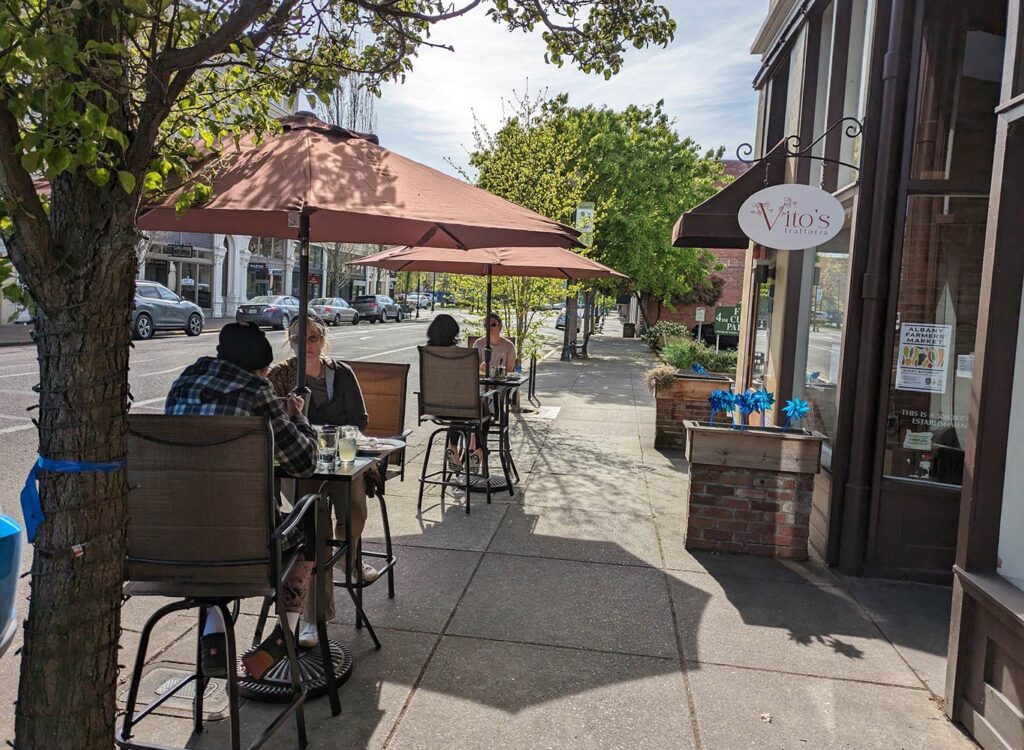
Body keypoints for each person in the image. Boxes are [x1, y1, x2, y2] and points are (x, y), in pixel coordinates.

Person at [164, 322, 317, 681]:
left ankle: (214, 634)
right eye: (265, 370)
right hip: (246, 544)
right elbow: (302, 462)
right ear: (258, 369)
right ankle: (287, 632)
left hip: (174, 542)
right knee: (311, 513)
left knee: (207, 516)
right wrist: (300, 417)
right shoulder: (256, 390)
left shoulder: (184, 381)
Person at [266, 314, 379, 649]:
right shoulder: (280, 376)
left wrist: (323, 429)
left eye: (314, 337)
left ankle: (347, 555)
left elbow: (359, 419)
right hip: (298, 466)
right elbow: (276, 427)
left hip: (341, 461)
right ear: (290, 341)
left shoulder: (341, 373)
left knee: (354, 507)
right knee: (316, 529)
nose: (309, 345)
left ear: (323, 339)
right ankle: (314, 618)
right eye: (300, 338)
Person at [425, 314, 487, 473]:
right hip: (461, 407)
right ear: (454, 333)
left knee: (456, 409)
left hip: (433, 407)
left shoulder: (428, 353)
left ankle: (452, 446)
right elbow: (471, 379)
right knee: (482, 407)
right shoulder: (460, 353)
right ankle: (478, 450)